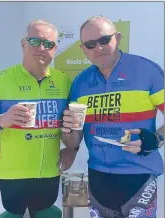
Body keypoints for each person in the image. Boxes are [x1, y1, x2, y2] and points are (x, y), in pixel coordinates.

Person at [61, 16, 164, 218]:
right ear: (83, 49)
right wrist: (68, 131)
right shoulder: (80, 83)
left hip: (139, 177)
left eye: (104, 40)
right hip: (99, 179)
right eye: (90, 44)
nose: (98, 48)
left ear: (117, 38)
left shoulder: (147, 70)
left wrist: (157, 139)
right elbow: (73, 141)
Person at [0, 19, 77, 218]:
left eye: (49, 44)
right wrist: (2, 120)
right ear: (23, 43)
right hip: (8, 177)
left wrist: (72, 149)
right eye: (35, 41)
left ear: (55, 48)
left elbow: (71, 127)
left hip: (49, 176)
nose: (42, 48)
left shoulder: (64, 82)